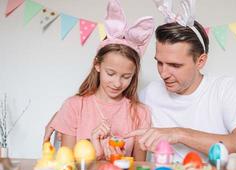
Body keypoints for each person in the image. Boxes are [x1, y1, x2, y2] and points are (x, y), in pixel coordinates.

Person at [123, 1, 236, 161]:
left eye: (175, 65)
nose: (163, 73)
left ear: (200, 61)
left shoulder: (224, 89)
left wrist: (179, 134)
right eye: (159, 62)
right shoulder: (149, 94)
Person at [45, 0, 154, 161]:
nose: (117, 83)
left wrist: (118, 159)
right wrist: (95, 150)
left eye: (126, 77)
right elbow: (66, 165)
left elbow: (139, 168)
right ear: (97, 65)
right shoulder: (74, 106)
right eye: (110, 73)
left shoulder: (140, 113)